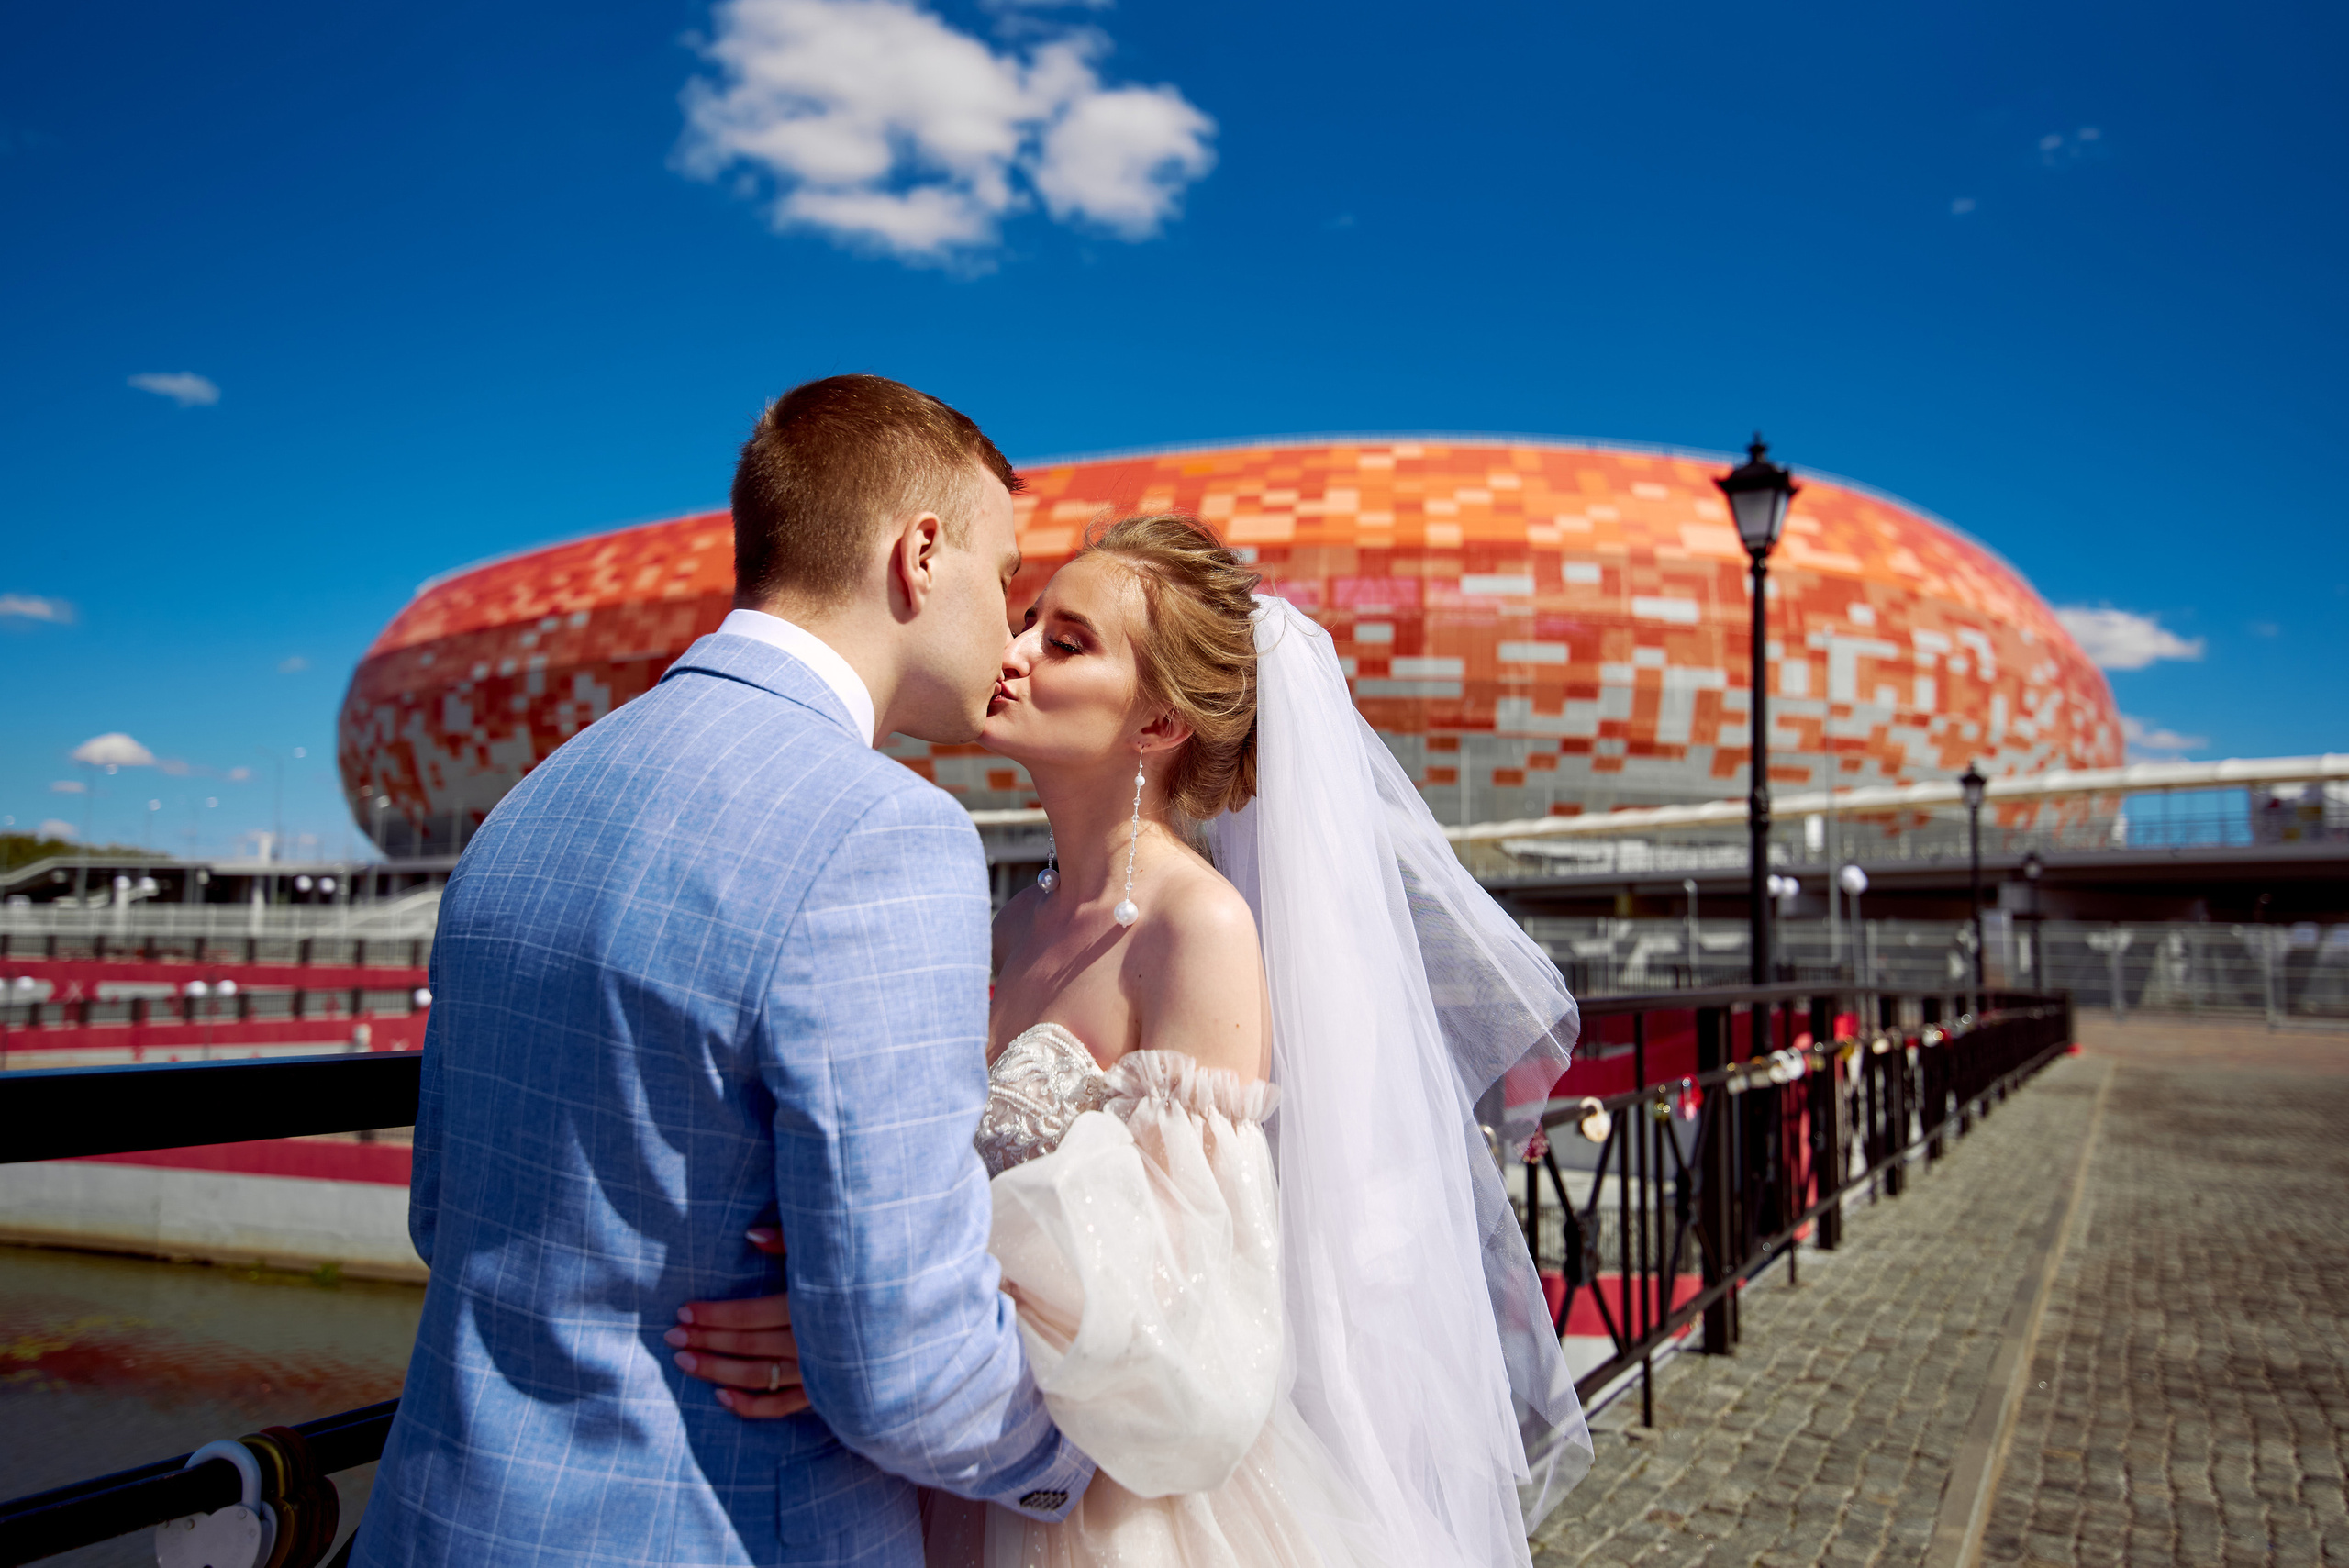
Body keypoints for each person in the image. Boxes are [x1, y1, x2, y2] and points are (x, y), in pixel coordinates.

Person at [677, 515, 1593, 1565]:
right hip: (958, 1463)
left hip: (1124, 1499)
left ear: (1159, 720)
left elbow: (1188, 1290)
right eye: (1027, 621)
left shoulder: (1197, 929)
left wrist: (878, 1322)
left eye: (1065, 641)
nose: (1011, 650)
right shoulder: (1015, 920)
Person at [352, 375, 1093, 1568]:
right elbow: (906, 1370)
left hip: (442, 1522)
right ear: (919, 555)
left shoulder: (528, 806)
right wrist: (1099, 1459)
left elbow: (446, 1211)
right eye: (1004, 573)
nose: (1007, 620)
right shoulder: (882, 833)